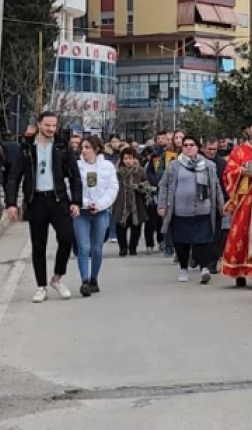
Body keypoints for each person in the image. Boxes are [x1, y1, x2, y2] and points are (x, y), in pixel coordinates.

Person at [5, 112, 83, 303]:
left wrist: (76, 201)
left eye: (54, 125)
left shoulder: (62, 146)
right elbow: (14, 176)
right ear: (40, 124)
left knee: (67, 239)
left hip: (58, 200)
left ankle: (57, 278)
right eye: (47, 125)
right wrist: (11, 203)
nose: (51, 129)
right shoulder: (26, 148)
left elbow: (75, 176)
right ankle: (41, 287)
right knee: (38, 245)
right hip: (36, 200)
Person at [157, 135, 225, 284]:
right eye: (185, 145)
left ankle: (204, 269)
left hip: (203, 209)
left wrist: (221, 204)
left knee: (203, 241)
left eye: (191, 145)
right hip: (181, 210)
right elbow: (164, 185)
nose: (188, 147)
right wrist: (162, 205)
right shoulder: (174, 166)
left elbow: (216, 186)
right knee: (182, 242)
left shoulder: (208, 165)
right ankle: (183, 268)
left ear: (197, 147)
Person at [222, 115, 252, 288]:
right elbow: (228, 172)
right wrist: (242, 171)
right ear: (248, 131)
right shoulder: (239, 151)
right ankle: (239, 271)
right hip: (245, 199)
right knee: (241, 233)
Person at [74, 136, 119, 297]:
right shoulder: (77, 166)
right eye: (82, 147)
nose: (84, 151)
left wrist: (99, 205)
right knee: (84, 247)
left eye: (87, 147)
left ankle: (94, 279)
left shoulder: (107, 167)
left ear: (96, 149)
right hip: (81, 212)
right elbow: (71, 187)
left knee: (97, 248)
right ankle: (84, 280)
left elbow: (112, 189)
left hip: (101, 212)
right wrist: (85, 203)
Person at [113, 148, 151, 256]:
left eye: (130, 158)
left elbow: (147, 184)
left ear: (134, 159)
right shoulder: (117, 172)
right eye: (125, 158)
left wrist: (140, 186)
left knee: (136, 226)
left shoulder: (140, 171)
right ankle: (123, 248)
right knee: (120, 226)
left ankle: (133, 247)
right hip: (121, 202)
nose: (128, 161)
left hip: (136, 202)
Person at [202, 137, 229, 273]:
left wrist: (224, 202)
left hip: (218, 202)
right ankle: (198, 258)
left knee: (217, 235)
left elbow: (225, 185)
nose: (212, 152)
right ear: (203, 149)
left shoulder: (222, 163)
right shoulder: (198, 162)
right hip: (201, 203)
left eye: (214, 149)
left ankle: (212, 263)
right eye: (209, 149)